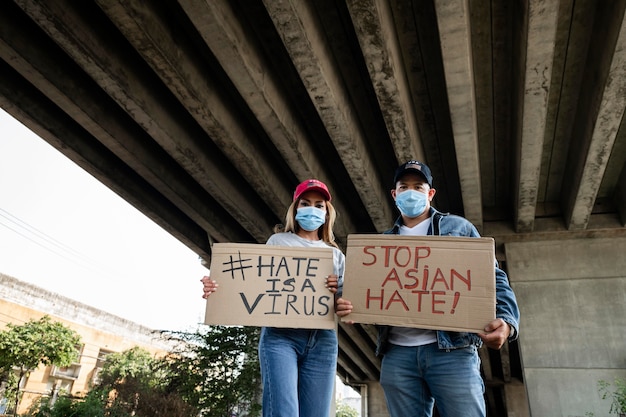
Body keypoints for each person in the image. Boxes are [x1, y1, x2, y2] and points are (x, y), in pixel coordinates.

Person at [335, 160, 520, 417]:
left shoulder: (460, 229)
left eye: (418, 186)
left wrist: (508, 322)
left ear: (430, 193)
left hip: (453, 353)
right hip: (398, 356)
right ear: (394, 194)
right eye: (404, 187)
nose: (411, 192)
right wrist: (346, 300)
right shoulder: (380, 246)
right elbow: (357, 290)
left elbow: (494, 279)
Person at [202, 179, 345, 417]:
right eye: (305, 203)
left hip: (322, 341)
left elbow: (345, 306)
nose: (312, 209)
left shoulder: (336, 255)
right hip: (281, 338)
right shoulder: (278, 242)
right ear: (295, 209)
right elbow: (254, 282)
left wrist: (336, 294)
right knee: (283, 411)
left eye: (319, 205)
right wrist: (217, 287)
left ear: (327, 212)